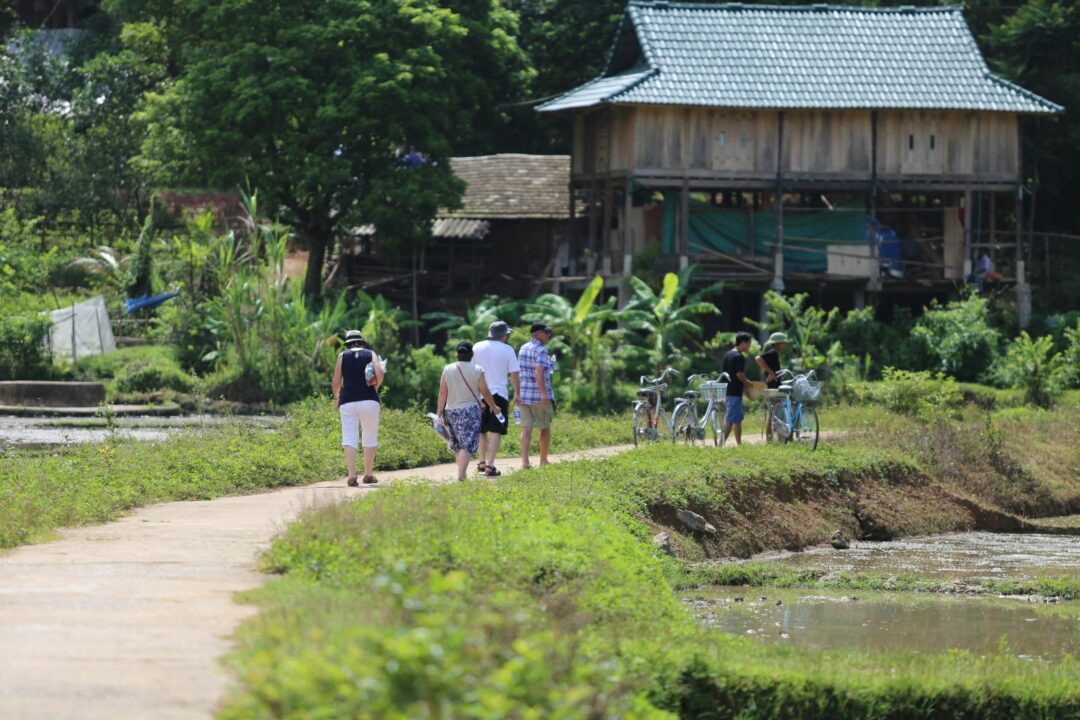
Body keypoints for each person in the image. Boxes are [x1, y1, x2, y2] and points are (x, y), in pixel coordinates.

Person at [437, 342, 502, 482]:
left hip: (451, 411)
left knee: (458, 444)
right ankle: (461, 476)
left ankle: (463, 473)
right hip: (470, 411)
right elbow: (485, 391)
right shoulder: (477, 369)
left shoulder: (447, 369)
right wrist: (495, 408)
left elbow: (442, 393)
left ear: (457, 354)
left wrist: (439, 413)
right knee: (466, 444)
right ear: (471, 355)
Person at [332, 330, 384, 486]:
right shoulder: (371, 353)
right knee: (370, 436)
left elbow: (335, 382)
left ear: (348, 343)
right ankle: (368, 475)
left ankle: (352, 476)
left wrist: (337, 398)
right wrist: (375, 388)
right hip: (369, 400)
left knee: (349, 438)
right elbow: (380, 373)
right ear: (361, 341)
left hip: (347, 401)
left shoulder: (342, 356)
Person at [472, 320, 521, 477]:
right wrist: (517, 393)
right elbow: (514, 373)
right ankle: (490, 466)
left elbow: (471, 370)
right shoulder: (508, 350)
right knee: (495, 431)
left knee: (481, 430)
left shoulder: (477, 347)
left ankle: (481, 462)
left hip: (479, 394)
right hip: (499, 395)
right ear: (504, 335)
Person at [517, 322, 555, 468]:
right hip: (538, 396)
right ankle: (543, 461)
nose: (548, 335)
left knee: (526, 429)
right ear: (537, 334)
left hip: (524, 394)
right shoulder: (541, 350)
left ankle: (525, 462)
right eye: (546, 333)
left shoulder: (523, 348)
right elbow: (538, 372)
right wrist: (544, 393)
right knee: (544, 428)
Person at [722, 331, 753, 446]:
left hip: (728, 390)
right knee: (730, 420)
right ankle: (721, 445)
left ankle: (739, 443)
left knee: (738, 419)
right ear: (743, 343)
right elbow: (739, 374)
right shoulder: (739, 356)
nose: (749, 346)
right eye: (749, 343)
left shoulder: (728, 354)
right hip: (734, 391)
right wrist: (747, 383)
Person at [755, 332, 788, 440]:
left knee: (774, 414)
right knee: (774, 414)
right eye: (783, 343)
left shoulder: (774, 353)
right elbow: (758, 358)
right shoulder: (773, 352)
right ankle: (773, 439)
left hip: (773, 387)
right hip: (772, 388)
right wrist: (770, 372)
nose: (784, 345)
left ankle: (774, 439)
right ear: (778, 343)